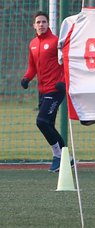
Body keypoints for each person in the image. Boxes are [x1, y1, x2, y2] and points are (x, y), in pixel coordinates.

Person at [21, 11, 67, 172]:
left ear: (48, 24)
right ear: (34, 25)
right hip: (42, 90)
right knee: (49, 125)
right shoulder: (33, 44)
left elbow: (66, 63)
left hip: (56, 89)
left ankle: (57, 155)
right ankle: (67, 159)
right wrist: (27, 78)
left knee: (41, 121)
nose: (41, 24)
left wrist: (63, 82)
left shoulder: (56, 42)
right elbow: (32, 66)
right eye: (38, 22)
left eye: (44, 22)